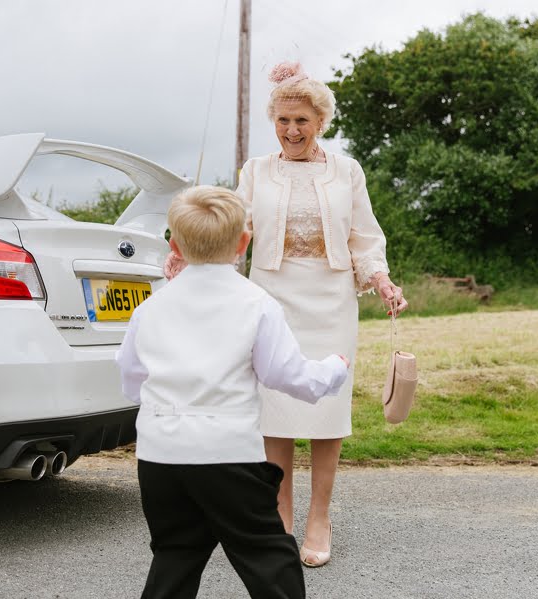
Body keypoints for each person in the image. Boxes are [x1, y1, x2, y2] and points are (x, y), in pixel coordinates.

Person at [164, 61, 409, 568]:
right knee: (274, 409)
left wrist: (381, 279)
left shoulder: (348, 171)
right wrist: (186, 248)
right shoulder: (256, 171)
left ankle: (320, 517)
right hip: (271, 296)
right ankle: (280, 519)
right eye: (282, 121)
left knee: (326, 412)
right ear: (273, 122)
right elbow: (233, 225)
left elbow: (364, 236)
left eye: (301, 121)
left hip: (332, 298)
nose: (291, 131)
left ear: (320, 121)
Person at [118, 186, 349, 599]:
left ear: (175, 244)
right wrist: (334, 370)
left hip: (160, 455)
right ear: (244, 242)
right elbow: (287, 375)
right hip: (226, 454)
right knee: (268, 554)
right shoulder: (255, 303)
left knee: (175, 552)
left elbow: (131, 375)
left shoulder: (150, 307)